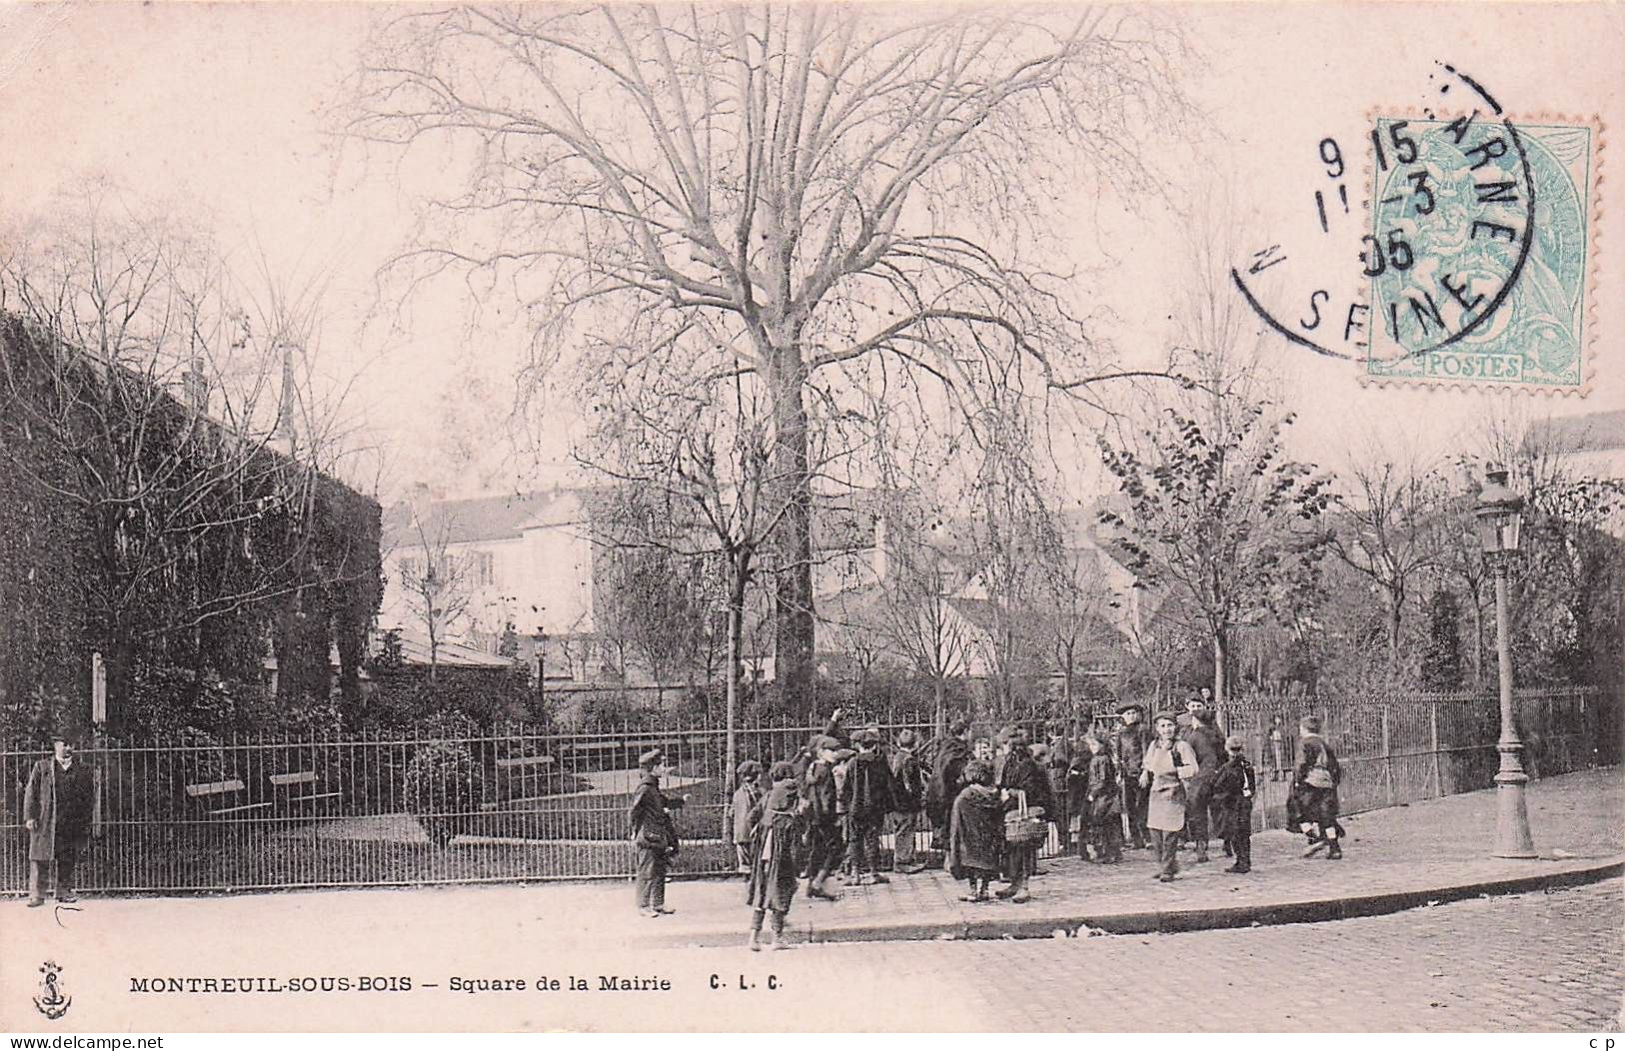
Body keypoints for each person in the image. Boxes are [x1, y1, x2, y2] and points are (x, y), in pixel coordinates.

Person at [24, 732, 96, 907]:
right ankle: (37, 895)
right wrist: (30, 816)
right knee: (40, 857)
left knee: (67, 857)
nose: (69, 748)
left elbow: (89, 798)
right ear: (55, 745)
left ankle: (64, 892)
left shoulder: (82, 770)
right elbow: (31, 793)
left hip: (70, 821)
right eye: (64, 744)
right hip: (46, 820)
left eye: (71, 745)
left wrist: (85, 820)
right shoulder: (42, 767)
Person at [745, 762, 808, 951]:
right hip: (781, 855)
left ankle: (753, 938)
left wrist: (760, 831)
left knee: (762, 892)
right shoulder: (794, 801)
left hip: (763, 852)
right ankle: (777, 938)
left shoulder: (768, 796)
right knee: (781, 891)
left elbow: (750, 818)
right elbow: (798, 839)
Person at [995, 730, 1052, 903]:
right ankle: (1014, 883)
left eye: (1005, 745)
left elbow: (1031, 790)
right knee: (1012, 849)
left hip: (1026, 812)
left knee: (1025, 849)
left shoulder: (1028, 765)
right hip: (1012, 811)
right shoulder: (1010, 763)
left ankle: (1024, 886)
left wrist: (1009, 792)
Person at [1140, 711, 1198, 882]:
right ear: (1157, 729)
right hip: (1157, 792)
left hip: (1173, 792)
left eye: (1170, 725)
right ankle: (1165, 865)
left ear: (1175, 727)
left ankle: (1167, 869)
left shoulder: (1182, 747)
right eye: (1163, 726)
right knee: (1155, 832)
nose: (1167, 730)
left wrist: (1178, 771)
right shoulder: (1154, 745)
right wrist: (1145, 772)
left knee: (1169, 833)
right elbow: (1148, 763)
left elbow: (1193, 768)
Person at [627, 748, 685, 917]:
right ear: (653, 768)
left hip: (658, 834)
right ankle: (643, 906)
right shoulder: (645, 788)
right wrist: (634, 831)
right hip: (648, 836)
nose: (664, 768)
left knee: (659, 870)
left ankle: (658, 904)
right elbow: (634, 811)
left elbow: (662, 803)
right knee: (647, 871)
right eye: (662, 765)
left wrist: (680, 801)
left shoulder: (653, 787)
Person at [840, 728, 897, 885]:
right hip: (875, 808)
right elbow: (889, 785)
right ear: (873, 746)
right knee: (872, 839)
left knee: (854, 840)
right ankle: (873, 873)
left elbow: (846, 788)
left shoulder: (852, 763)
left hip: (855, 808)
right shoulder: (881, 763)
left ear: (858, 745)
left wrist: (847, 803)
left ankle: (855, 874)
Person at [947, 759, 1004, 903]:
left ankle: (973, 890)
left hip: (969, 838)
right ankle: (984, 889)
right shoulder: (995, 794)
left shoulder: (966, 795)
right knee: (985, 865)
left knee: (971, 865)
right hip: (988, 837)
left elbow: (957, 816)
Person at [1291, 716, 1345, 860]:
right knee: (1327, 816)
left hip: (1310, 782)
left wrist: (1297, 780)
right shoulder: (1324, 743)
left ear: (1303, 729)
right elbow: (1335, 766)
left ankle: (1313, 837)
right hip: (1327, 783)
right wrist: (1334, 782)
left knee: (1298, 810)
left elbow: (1301, 764)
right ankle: (1334, 848)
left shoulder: (1304, 743)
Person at [801, 736, 846, 900]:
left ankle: (812, 884)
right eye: (831, 751)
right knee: (836, 848)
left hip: (813, 815)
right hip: (825, 816)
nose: (835, 754)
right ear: (821, 752)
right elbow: (827, 796)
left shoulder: (812, 767)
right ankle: (817, 883)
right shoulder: (826, 770)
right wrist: (833, 817)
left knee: (817, 850)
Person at [1183, 704, 1226, 863]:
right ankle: (1227, 842)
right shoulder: (1218, 735)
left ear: (1196, 721)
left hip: (1200, 778)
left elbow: (1188, 757)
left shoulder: (1193, 737)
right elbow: (1223, 756)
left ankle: (1201, 846)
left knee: (1198, 812)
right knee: (1220, 811)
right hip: (1217, 777)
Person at [925, 717, 973, 853]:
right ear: (965, 732)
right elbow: (959, 772)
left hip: (940, 791)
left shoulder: (946, 746)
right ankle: (952, 860)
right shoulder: (958, 749)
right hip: (951, 793)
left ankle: (950, 858)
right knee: (953, 826)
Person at [1211, 735, 1257, 874]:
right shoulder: (1247, 765)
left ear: (1227, 749)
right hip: (1245, 800)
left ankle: (1241, 861)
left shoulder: (1227, 767)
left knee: (1235, 833)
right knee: (1244, 832)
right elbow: (1252, 784)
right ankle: (1245, 860)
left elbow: (1218, 784)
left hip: (1232, 803)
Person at [889, 729, 928, 874]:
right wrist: (917, 797)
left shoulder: (898, 757)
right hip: (906, 803)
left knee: (904, 830)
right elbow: (910, 785)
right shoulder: (909, 760)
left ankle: (908, 859)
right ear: (916, 744)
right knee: (905, 830)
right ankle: (902, 862)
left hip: (898, 802)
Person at [1114, 703, 1151, 849]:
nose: (1131, 716)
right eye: (1128, 714)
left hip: (1141, 773)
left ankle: (1147, 837)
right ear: (1123, 717)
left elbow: (1147, 751)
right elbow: (1119, 755)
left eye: (1134, 713)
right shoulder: (1121, 733)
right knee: (1129, 807)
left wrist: (1145, 771)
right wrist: (1119, 773)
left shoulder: (1143, 730)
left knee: (1142, 805)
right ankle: (1136, 839)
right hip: (1127, 774)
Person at [1083, 734, 1124, 864]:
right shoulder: (1099, 758)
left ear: (1103, 745)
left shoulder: (1102, 759)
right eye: (1090, 745)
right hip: (1103, 796)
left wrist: (1092, 794)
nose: (1092, 748)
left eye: (1094, 744)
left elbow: (1102, 780)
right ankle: (1110, 852)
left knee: (1105, 824)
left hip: (1104, 797)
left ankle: (1109, 853)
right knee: (1106, 824)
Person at [731, 760, 764, 872]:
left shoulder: (738, 792)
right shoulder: (756, 791)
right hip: (752, 827)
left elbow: (732, 811)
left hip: (740, 829)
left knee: (744, 859)